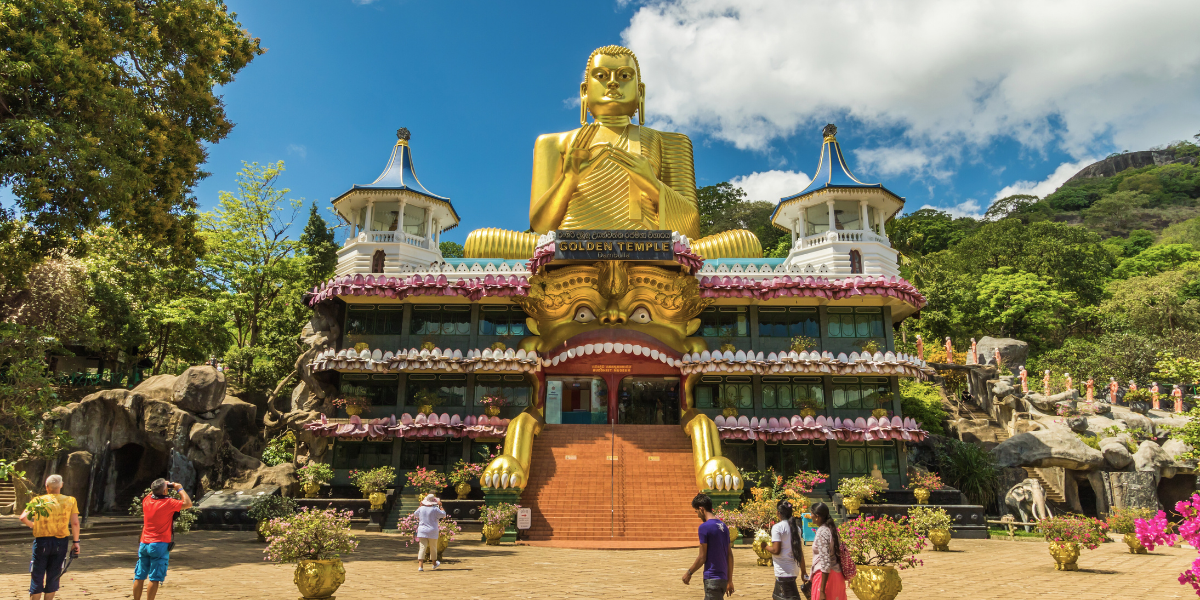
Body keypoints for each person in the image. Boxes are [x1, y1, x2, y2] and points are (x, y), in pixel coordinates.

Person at [19, 474, 80, 600]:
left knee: (37, 576)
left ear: (46, 487)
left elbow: (23, 517)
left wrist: (33, 525)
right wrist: (76, 542)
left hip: (42, 542)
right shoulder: (70, 500)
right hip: (60, 543)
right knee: (54, 576)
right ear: (61, 485)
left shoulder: (38, 500)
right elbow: (75, 523)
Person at [133, 478, 192, 600]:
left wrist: (161, 485)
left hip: (144, 543)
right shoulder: (169, 503)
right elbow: (188, 503)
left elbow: (153, 492)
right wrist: (179, 488)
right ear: (165, 491)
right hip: (159, 544)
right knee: (154, 578)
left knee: (139, 575)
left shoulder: (146, 500)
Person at [682, 493, 734, 599]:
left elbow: (702, 557)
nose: (698, 515)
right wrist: (730, 580)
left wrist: (689, 572)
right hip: (723, 579)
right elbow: (729, 555)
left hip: (712, 578)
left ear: (701, 509)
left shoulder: (704, 527)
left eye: (696, 511)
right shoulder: (723, 526)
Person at [767, 500, 808, 600]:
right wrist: (803, 571)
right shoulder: (796, 528)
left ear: (778, 513)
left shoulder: (777, 527)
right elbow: (799, 551)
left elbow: (776, 550)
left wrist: (764, 546)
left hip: (783, 570)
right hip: (793, 570)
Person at [810, 502, 846, 600]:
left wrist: (822, 591)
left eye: (811, 514)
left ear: (817, 516)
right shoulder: (832, 530)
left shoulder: (822, 532)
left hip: (825, 580)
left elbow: (825, 564)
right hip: (837, 576)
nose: (810, 516)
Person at [414, 494, 446, 572]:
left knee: (422, 547)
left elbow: (415, 514)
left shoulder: (421, 508)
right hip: (432, 530)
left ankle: (420, 566)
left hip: (422, 530)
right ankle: (434, 563)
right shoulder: (435, 509)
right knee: (433, 547)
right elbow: (443, 514)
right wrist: (441, 506)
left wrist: (420, 505)